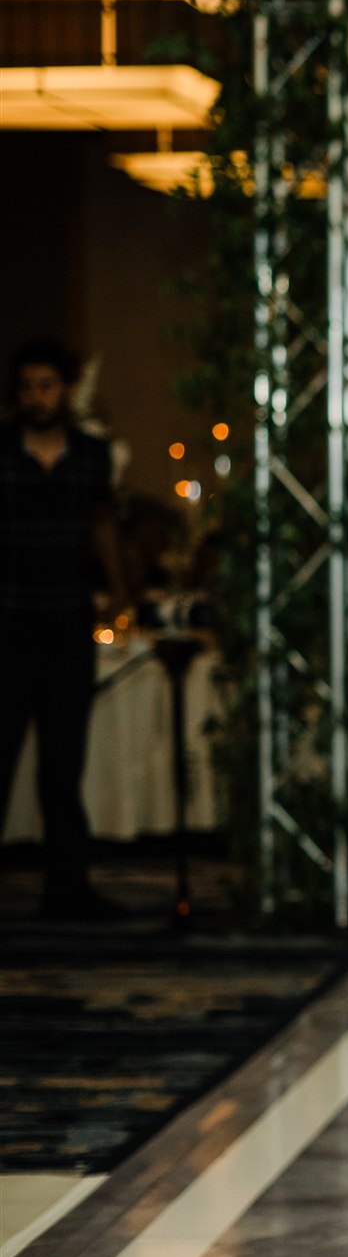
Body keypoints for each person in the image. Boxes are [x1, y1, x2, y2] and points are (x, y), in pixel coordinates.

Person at [0, 339, 131, 919]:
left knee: (63, 764)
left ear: (67, 390)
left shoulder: (91, 456)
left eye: (47, 386)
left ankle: (67, 888)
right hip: (8, 624)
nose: (37, 398)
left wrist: (119, 590)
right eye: (27, 387)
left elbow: (102, 523)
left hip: (68, 622)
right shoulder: (1, 451)